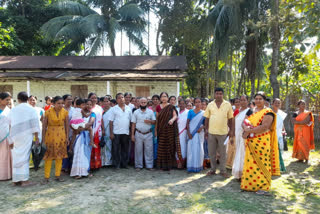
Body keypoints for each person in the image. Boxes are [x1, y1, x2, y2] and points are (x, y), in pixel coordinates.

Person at [241, 91, 280, 195]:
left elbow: (264, 127)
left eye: (260, 99)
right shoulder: (250, 111)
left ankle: (263, 186)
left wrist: (248, 131)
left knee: (262, 162)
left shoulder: (268, 112)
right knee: (250, 162)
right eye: (256, 99)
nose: (258, 101)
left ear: (264, 100)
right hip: (251, 141)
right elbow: (244, 122)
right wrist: (246, 129)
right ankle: (250, 185)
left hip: (262, 141)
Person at [8, 92, 40, 186]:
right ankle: (24, 181)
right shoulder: (31, 109)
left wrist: (10, 139)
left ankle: (16, 180)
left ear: (18, 99)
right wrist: (37, 137)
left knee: (16, 157)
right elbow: (35, 125)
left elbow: (8, 124)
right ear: (27, 99)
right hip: (26, 136)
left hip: (15, 135)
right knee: (25, 158)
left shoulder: (13, 110)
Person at [204, 88, 234, 178]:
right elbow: (207, 118)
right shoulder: (210, 104)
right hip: (211, 133)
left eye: (220, 94)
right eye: (217, 93)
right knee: (212, 152)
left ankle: (223, 171)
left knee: (223, 153)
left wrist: (231, 130)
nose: (219, 95)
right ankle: (213, 169)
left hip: (223, 133)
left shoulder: (227, 104)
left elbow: (231, 118)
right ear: (214, 94)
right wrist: (206, 130)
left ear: (223, 95)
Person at [42, 96, 69, 183]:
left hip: (61, 135)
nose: (61, 105)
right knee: (48, 156)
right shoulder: (48, 112)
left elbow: (67, 126)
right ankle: (46, 177)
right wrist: (43, 139)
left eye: (62, 103)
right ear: (53, 103)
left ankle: (58, 175)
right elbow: (44, 126)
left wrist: (67, 137)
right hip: (50, 136)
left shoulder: (65, 112)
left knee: (59, 156)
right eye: (58, 103)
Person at [155, 92, 182, 170]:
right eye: (162, 96)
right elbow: (157, 120)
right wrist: (156, 130)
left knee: (170, 147)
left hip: (170, 130)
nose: (163, 98)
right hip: (161, 130)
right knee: (161, 148)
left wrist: (172, 120)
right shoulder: (158, 107)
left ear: (167, 98)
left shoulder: (171, 107)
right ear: (160, 98)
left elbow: (175, 116)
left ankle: (169, 165)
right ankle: (161, 165)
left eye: (165, 96)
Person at [70, 99, 96, 178]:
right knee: (78, 154)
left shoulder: (93, 114)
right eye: (86, 104)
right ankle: (77, 173)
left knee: (85, 155)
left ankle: (85, 172)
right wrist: (77, 129)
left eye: (90, 104)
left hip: (86, 136)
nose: (88, 106)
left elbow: (90, 123)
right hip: (78, 136)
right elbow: (71, 124)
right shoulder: (80, 112)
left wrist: (81, 129)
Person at [131, 97, 156, 171]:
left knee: (149, 150)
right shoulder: (136, 112)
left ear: (147, 103)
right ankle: (138, 165)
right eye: (141, 102)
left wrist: (149, 121)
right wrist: (132, 134)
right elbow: (133, 124)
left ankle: (149, 165)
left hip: (148, 133)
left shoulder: (150, 112)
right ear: (139, 103)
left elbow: (154, 121)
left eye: (144, 102)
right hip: (138, 133)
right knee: (138, 150)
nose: (143, 104)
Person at [109, 93, 132, 169]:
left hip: (126, 132)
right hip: (116, 133)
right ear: (116, 100)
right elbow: (111, 122)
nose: (121, 99)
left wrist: (131, 132)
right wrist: (111, 133)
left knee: (125, 149)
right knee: (116, 150)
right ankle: (116, 165)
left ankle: (124, 164)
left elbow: (131, 121)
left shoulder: (129, 108)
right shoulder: (113, 109)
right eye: (119, 98)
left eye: (122, 97)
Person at [232, 95, 250, 180]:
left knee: (242, 153)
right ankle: (238, 172)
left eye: (244, 100)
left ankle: (244, 173)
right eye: (241, 100)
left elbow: (247, 123)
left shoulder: (249, 111)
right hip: (237, 134)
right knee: (238, 152)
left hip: (244, 135)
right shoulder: (237, 111)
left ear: (247, 101)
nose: (242, 102)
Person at [186, 98, 205, 172]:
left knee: (199, 149)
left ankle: (198, 166)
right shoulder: (190, 112)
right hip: (191, 133)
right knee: (191, 149)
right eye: (196, 102)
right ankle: (191, 166)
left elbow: (206, 124)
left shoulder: (204, 113)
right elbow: (187, 123)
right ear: (194, 103)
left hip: (199, 133)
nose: (197, 104)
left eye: (199, 102)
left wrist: (202, 128)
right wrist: (189, 133)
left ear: (201, 103)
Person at [28, 95, 45, 169]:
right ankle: (30, 163)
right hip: (28, 132)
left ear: (36, 101)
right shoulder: (26, 110)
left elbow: (43, 120)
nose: (32, 101)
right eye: (30, 100)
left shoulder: (40, 110)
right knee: (29, 147)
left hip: (38, 130)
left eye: (34, 100)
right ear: (28, 101)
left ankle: (38, 163)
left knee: (38, 146)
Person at [88, 92, 104, 170]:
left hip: (98, 130)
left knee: (97, 148)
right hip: (89, 131)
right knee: (90, 147)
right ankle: (90, 165)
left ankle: (97, 165)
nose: (94, 99)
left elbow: (101, 119)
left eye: (95, 98)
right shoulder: (88, 108)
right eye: (92, 98)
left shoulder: (99, 108)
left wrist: (103, 129)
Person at [272, 98, 287, 171]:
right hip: (271, 134)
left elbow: (282, 123)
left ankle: (279, 166)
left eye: (279, 103)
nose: (277, 104)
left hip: (279, 134)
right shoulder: (270, 113)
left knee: (280, 149)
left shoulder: (282, 114)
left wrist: (284, 129)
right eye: (276, 103)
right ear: (272, 104)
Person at [0, 92, 12, 181]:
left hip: (6, 137)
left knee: (5, 156)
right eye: (6, 100)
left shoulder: (9, 110)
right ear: (0, 100)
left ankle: (5, 175)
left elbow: (12, 124)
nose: (8, 101)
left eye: (9, 99)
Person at [62, 94, 74, 173]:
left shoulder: (73, 109)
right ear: (64, 100)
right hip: (62, 131)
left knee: (71, 148)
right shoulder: (61, 109)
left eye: (71, 99)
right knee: (64, 149)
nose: (69, 101)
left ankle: (70, 166)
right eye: (68, 99)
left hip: (72, 131)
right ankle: (64, 166)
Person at [101, 96, 113, 166]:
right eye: (104, 101)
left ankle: (109, 161)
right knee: (102, 145)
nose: (105, 103)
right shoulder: (100, 110)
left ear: (110, 102)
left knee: (110, 145)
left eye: (107, 101)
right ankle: (103, 162)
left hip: (110, 130)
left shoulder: (113, 110)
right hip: (101, 130)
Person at [177, 99, 189, 168]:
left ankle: (182, 163)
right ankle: (177, 163)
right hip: (176, 132)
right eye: (180, 103)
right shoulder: (176, 111)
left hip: (184, 132)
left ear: (185, 104)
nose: (181, 105)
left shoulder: (188, 112)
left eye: (183, 103)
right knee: (177, 148)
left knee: (183, 147)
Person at [150, 95, 160, 164]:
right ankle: (151, 161)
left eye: (157, 99)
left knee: (158, 144)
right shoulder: (149, 108)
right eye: (154, 99)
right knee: (151, 145)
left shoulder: (160, 108)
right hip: (150, 129)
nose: (155, 100)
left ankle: (157, 161)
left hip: (159, 129)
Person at [201, 99, 210, 169]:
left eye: (204, 104)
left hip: (206, 132)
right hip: (199, 133)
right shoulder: (198, 112)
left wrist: (204, 129)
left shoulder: (207, 113)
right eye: (202, 104)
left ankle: (206, 163)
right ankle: (201, 163)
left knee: (206, 147)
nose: (203, 106)